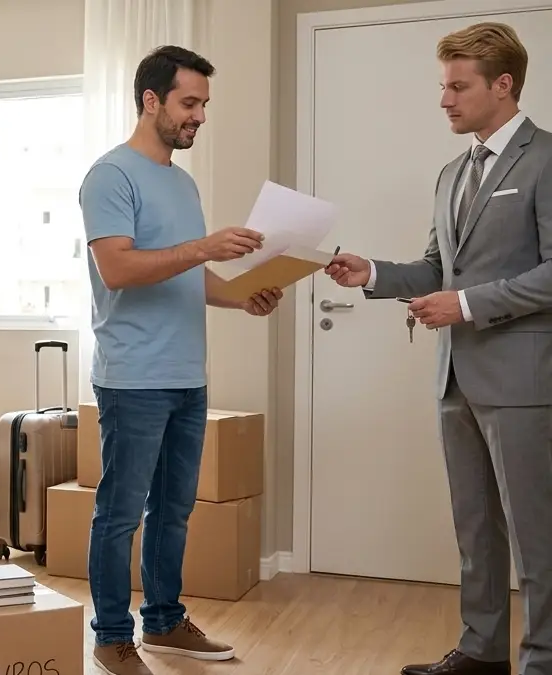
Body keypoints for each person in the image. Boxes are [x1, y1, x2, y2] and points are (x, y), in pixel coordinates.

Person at [325, 22, 552, 675]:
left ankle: (542, 658)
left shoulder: (545, 159)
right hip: (456, 377)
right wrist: (370, 271)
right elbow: (435, 268)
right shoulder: (453, 171)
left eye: (459, 86)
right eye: (443, 86)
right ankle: (482, 651)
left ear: (503, 85)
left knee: (536, 533)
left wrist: (470, 304)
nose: (445, 100)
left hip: (523, 381)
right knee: (476, 528)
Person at [79, 45, 283, 675]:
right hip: (134, 379)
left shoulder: (182, 180)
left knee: (173, 509)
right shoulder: (110, 176)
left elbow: (189, 277)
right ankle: (112, 635)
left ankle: (164, 622)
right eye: (189, 103)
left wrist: (242, 293)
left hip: (187, 377)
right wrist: (203, 247)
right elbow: (117, 267)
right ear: (151, 100)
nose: (198, 116)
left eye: (203, 105)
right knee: (119, 514)